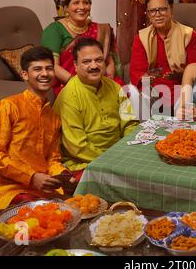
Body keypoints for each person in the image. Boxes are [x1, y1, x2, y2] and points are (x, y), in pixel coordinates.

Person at [0, 46, 76, 235]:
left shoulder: (53, 116)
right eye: (37, 69)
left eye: (48, 68)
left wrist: (62, 174)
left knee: (79, 189)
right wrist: (31, 177)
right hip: (11, 188)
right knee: (39, 218)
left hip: (43, 184)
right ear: (24, 74)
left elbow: (53, 158)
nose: (44, 74)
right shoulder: (7, 107)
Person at [53, 37, 139, 172]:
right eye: (86, 62)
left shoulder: (114, 86)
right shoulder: (69, 96)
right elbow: (77, 146)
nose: (94, 66)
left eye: (99, 60)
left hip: (120, 154)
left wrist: (128, 149)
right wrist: (114, 159)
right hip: (85, 162)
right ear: (75, 66)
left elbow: (130, 123)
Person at [42, 0, 123, 96]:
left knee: (125, 96)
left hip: (100, 81)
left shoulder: (101, 30)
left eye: (86, 3)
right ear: (66, 8)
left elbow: (109, 62)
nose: (82, 7)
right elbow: (52, 65)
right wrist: (78, 84)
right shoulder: (54, 30)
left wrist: (106, 82)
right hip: (69, 84)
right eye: (76, 3)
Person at [129, 0, 196, 116]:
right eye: (153, 11)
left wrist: (181, 74)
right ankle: (145, 132)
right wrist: (148, 81)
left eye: (162, 9)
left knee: (188, 94)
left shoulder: (189, 35)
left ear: (171, 10)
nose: (158, 15)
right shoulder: (141, 38)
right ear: (149, 15)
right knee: (132, 90)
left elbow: (193, 69)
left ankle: (180, 132)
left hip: (180, 87)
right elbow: (137, 71)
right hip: (152, 88)